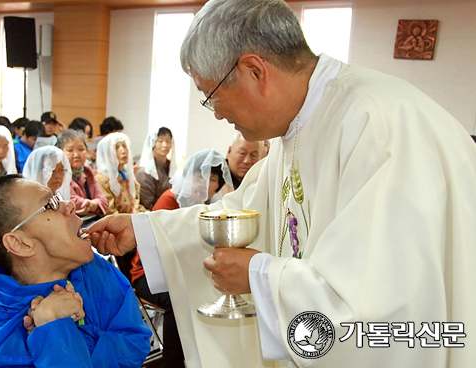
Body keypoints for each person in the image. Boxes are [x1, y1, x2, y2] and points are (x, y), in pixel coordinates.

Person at [85, 1, 476, 367]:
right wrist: (144, 230)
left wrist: (259, 276)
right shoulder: (299, 128)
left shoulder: (378, 126)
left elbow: (383, 301)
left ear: (255, 70)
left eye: (211, 96)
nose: (217, 113)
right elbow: (238, 213)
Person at [0, 175, 152, 367]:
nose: (69, 204)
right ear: (20, 243)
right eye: (51, 204)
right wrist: (55, 329)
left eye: (58, 197)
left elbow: (137, 341)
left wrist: (75, 339)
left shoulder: (93, 268)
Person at [131, 149, 233, 368]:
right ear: (188, 174)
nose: (204, 182)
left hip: (183, 270)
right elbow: (157, 251)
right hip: (149, 273)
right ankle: (172, 362)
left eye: (212, 179)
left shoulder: (208, 208)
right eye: (200, 175)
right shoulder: (170, 200)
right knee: (178, 296)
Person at [57, 129, 108, 217]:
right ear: (60, 152)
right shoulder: (59, 174)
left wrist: (92, 205)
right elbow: (72, 202)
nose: (76, 154)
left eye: (81, 149)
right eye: (70, 150)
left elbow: (104, 201)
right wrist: (94, 205)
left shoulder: (87, 170)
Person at [95, 133, 145, 215]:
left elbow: (135, 205)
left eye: (124, 146)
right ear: (106, 154)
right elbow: (111, 212)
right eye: (116, 148)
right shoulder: (102, 180)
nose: (123, 151)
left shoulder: (129, 177)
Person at [136, 127, 177, 210]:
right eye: (160, 141)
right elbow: (147, 204)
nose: (165, 145)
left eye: (168, 141)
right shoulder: (145, 171)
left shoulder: (170, 166)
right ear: (152, 143)